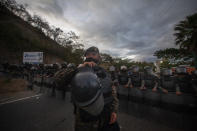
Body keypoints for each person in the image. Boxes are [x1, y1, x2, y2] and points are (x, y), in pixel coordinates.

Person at [54, 46, 119, 131]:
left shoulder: (105, 72)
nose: (90, 56)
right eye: (88, 54)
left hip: (105, 116)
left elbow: (112, 93)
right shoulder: (79, 70)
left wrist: (114, 110)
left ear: (99, 57)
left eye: (93, 54)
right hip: (85, 120)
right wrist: (78, 69)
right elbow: (58, 79)